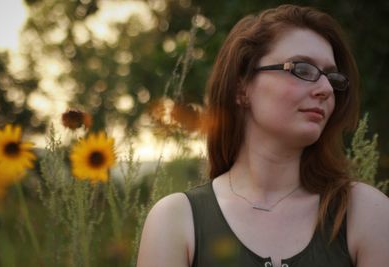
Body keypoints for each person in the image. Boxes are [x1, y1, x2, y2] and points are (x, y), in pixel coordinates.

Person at [137, 4, 389, 267]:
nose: (326, 88)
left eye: (332, 77)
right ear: (241, 88)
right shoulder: (177, 221)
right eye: (302, 69)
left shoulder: (367, 214)